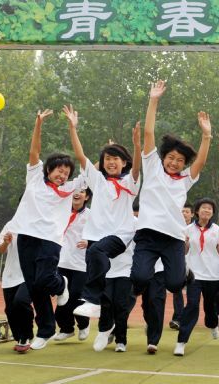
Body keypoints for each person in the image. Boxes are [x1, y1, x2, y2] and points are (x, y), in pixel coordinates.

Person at [131, 80, 212, 307]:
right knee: (139, 278)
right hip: (148, 233)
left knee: (175, 284)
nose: (174, 163)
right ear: (163, 157)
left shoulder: (185, 179)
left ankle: (184, 272)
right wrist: (153, 100)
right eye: (171, 158)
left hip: (173, 237)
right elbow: (148, 133)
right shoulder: (153, 166)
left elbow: (201, 161)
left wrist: (206, 136)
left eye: (180, 160)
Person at [8, 109, 84, 350]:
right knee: (34, 285)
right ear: (49, 169)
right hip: (26, 237)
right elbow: (35, 151)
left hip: (50, 239)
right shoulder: (34, 178)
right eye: (59, 170)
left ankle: (61, 285)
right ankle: (46, 329)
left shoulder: (71, 188)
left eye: (66, 172)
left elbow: (84, 163)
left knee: (44, 279)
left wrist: (73, 128)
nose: (62, 174)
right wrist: (38, 123)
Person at [65, 105, 141, 319]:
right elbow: (80, 156)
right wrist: (73, 128)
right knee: (93, 256)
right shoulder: (97, 181)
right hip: (96, 235)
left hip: (120, 234)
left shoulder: (129, 184)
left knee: (97, 252)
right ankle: (98, 302)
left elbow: (136, 169)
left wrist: (136, 145)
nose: (111, 162)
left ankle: (93, 299)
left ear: (123, 162)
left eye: (115, 158)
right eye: (107, 158)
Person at [174, 198, 219, 356]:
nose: (207, 211)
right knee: (192, 305)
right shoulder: (188, 229)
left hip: (212, 274)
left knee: (210, 306)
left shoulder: (216, 229)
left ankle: (213, 324)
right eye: (204, 208)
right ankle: (181, 342)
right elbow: (185, 251)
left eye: (210, 209)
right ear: (197, 211)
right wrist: (185, 243)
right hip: (194, 274)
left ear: (212, 213)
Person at [54, 187, 92, 342]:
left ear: (87, 197)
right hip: (62, 262)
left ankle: (83, 324)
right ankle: (66, 328)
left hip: (81, 264)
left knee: (76, 296)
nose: (77, 193)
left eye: (82, 191)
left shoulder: (92, 216)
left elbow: (103, 233)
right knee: (62, 296)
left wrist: (90, 242)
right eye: (74, 190)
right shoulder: (60, 212)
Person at [0, 221, 34, 353]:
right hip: (11, 275)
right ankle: (21, 337)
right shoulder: (11, 225)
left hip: (30, 274)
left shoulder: (40, 223)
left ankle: (26, 336)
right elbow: (0, 250)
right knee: (10, 310)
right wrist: (6, 242)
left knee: (21, 301)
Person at [169, 204, 195, 331]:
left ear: (192, 214)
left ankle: (185, 317)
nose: (184, 213)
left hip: (194, 266)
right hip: (178, 264)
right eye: (182, 211)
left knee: (192, 294)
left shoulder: (194, 228)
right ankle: (178, 318)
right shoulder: (174, 227)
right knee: (177, 291)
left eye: (187, 211)